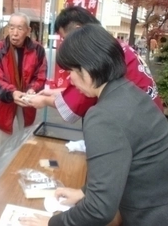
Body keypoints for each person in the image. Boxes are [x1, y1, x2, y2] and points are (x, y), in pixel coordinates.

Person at [19, 24, 168, 226]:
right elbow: (117, 163)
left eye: (71, 71)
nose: (70, 78)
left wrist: (50, 223)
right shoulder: (131, 92)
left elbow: (99, 210)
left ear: (87, 71)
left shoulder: (103, 116)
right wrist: (84, 193)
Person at [28, 6, 163, 120]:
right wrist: (53, 92)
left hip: (136, 122)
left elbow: (77, 102)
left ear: (78, 29)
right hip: (150, 117)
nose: (65, 43)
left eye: (65, 38)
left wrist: (44, 101)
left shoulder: (97, 54)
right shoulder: (111, 45)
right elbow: (89, 89)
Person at [0, 12, 47, 151]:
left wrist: (34, 89)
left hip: (27, 98)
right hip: (5, 99)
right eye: (11, 27)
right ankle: (1, 171)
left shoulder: (38, 49)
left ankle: (22, 166)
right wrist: (12, 93)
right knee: (3, 144)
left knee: (26, 138)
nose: (14, 33)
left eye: (20, 28)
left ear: (28, 30)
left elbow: (40, 75)